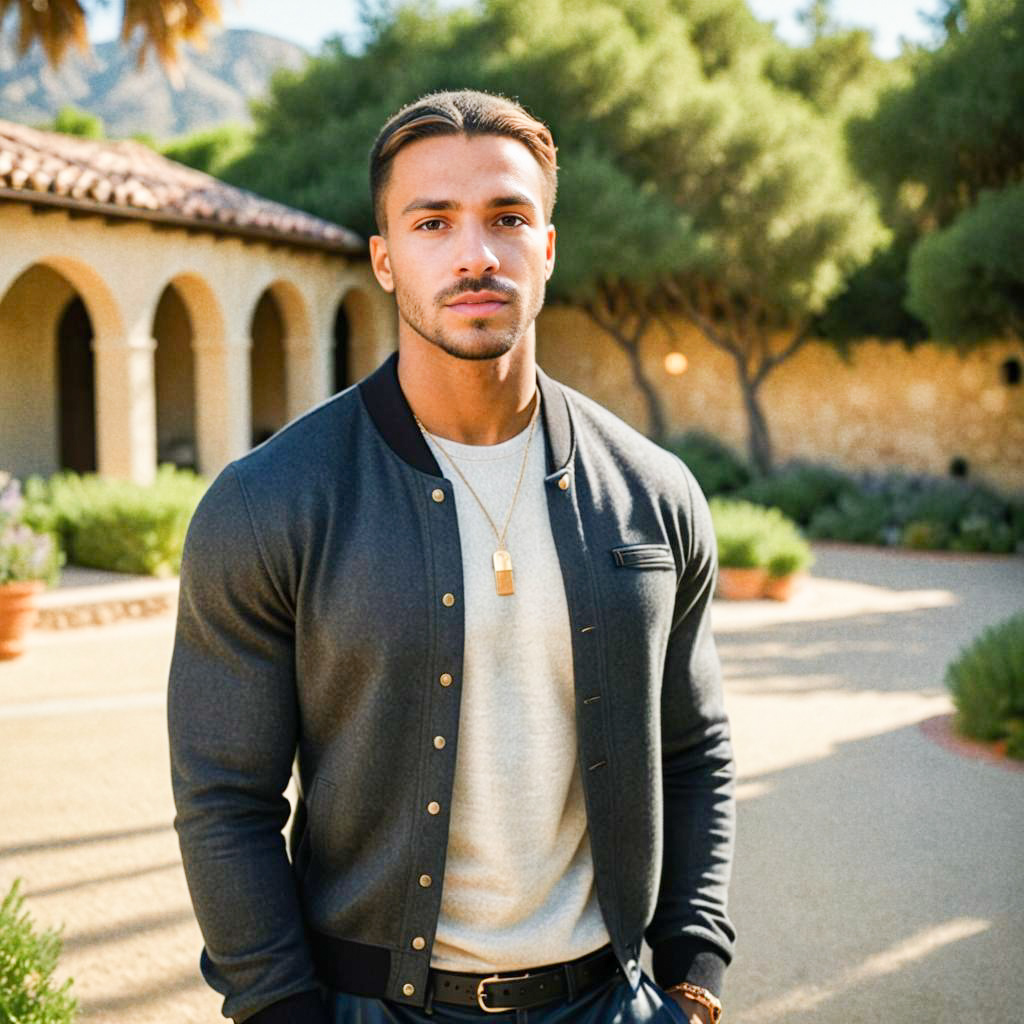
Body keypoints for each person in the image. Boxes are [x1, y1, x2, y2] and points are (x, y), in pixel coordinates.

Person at [168, 89, 735, 1024]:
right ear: (385, 259)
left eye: (509, 218)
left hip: (612, 1001)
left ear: (548, 247)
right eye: (433, 222)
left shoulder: (654, 492)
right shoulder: (268, 504)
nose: (476, 254)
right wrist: (279, 1010)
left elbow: (695, 747)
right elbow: (225, 798)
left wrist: (691, 982)